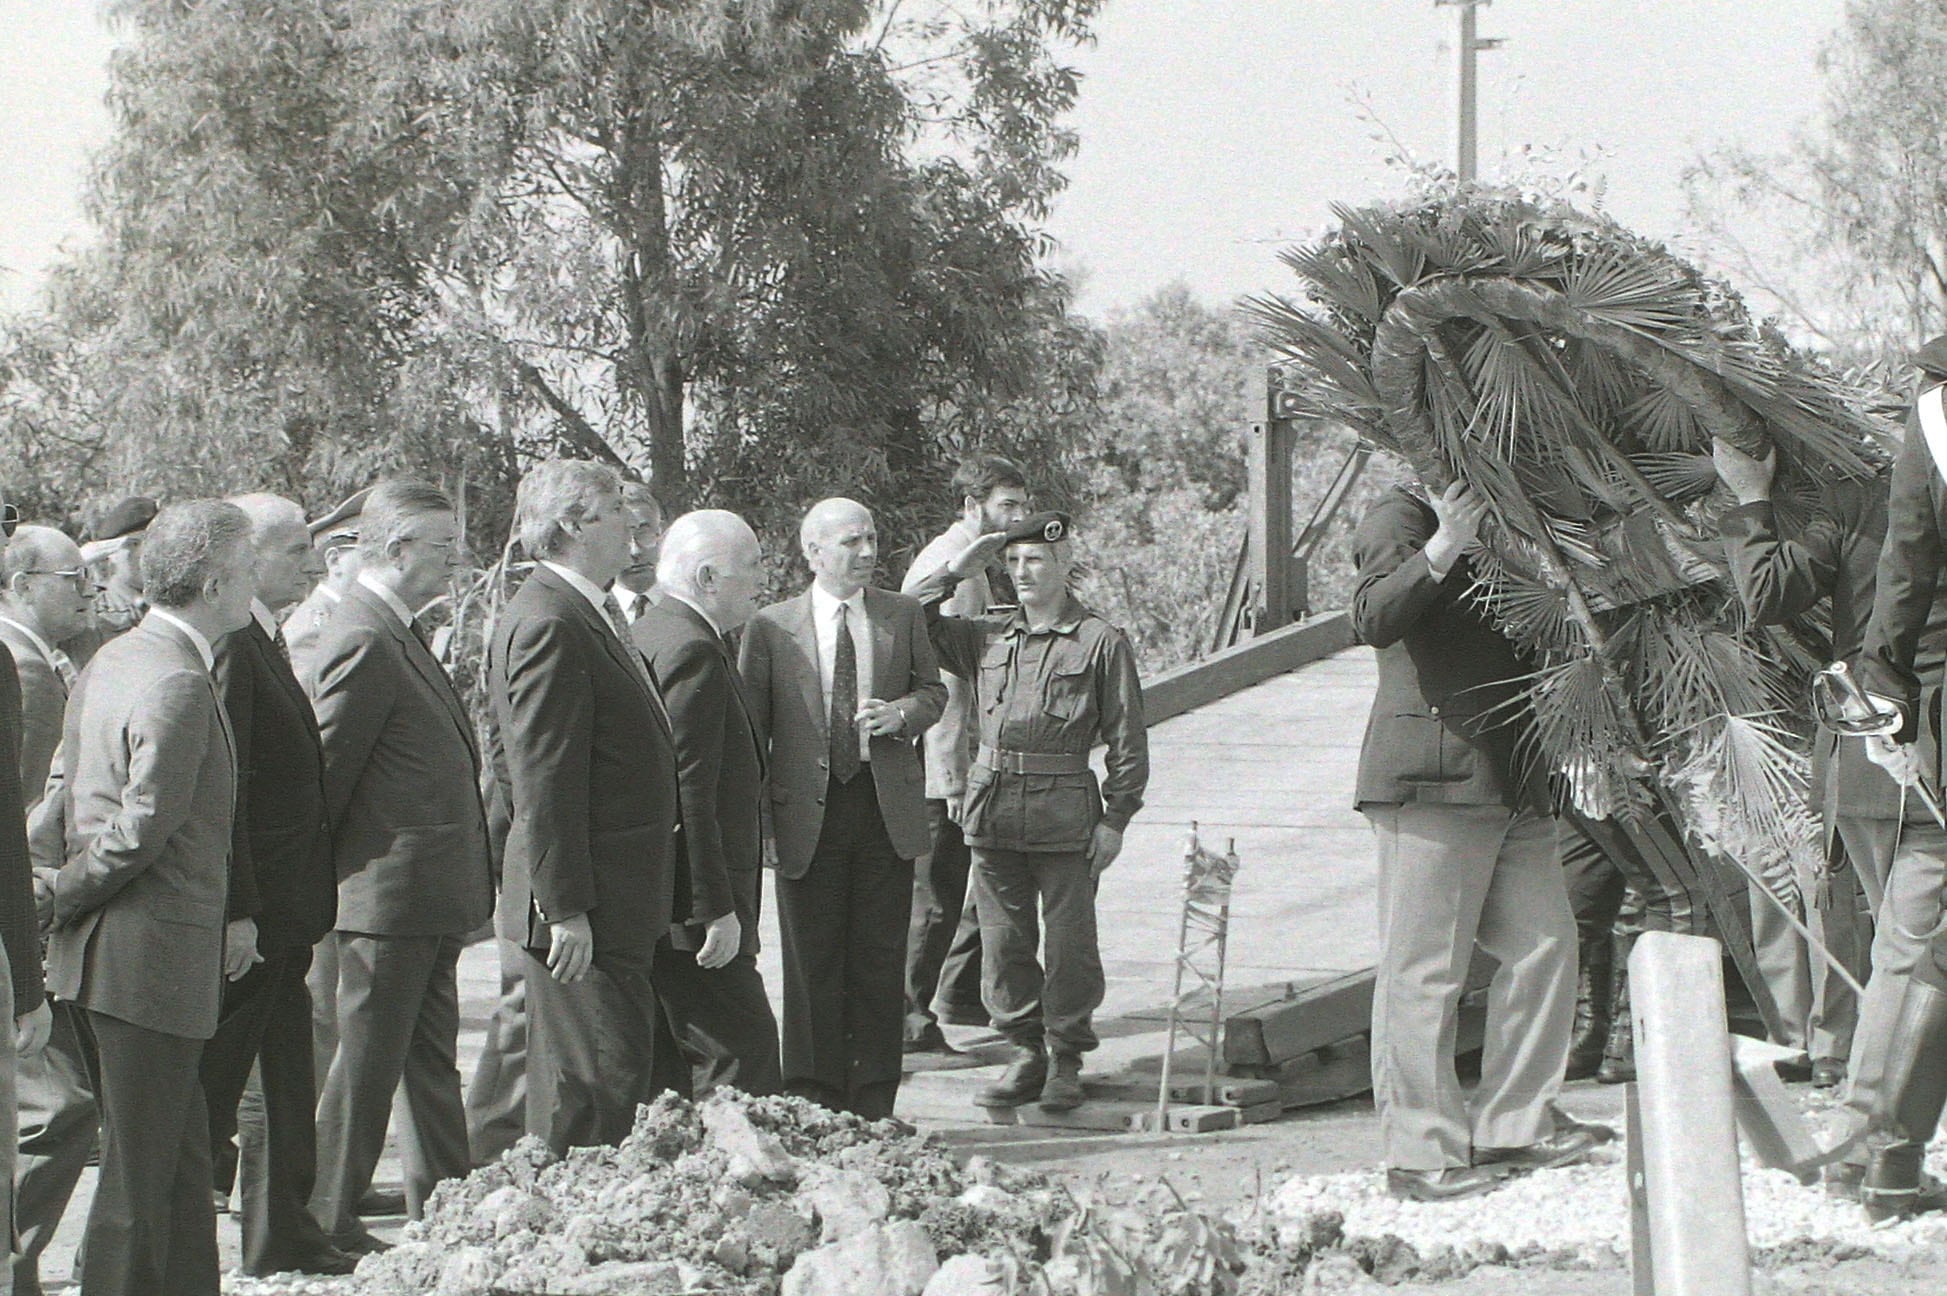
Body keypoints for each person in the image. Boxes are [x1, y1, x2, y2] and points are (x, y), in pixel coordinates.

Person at [1348, 481, 1593, 1202]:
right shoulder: (1399, 513)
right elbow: (1371, 616)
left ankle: (1514, 1123)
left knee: (1546, 945)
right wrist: (1443, 543)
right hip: (1432, 776)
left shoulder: (1512, 510)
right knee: (1423, 972)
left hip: (1513, 775)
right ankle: (1419, 1153)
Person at [44, 499, 254, 1295]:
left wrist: (48, 886)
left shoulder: (119, 657)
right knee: (141, 1177)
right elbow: (140, 830)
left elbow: (64, 794)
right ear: (209, 582)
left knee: (177, 1160)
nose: (254, 584)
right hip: (149, 963)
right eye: (243, 569)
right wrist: (59, 892)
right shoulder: (178, 678)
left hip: (115, 962)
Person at [304, 480, 492, 1250]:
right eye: (442, 548)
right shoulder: (363, 635)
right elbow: (325, 773)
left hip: (421, 901)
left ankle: (448, 1210)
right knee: (365, 1072)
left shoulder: (397, 628)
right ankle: (321, 1220)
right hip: (383, 902)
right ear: (395, 549)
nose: (455, 561)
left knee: (425, 1068)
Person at [911, 511, 1149, 1113]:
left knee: (1070, 944)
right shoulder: (985, 636)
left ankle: (1065, 1056)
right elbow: (910, 619)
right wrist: (959, 567)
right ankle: (1025, 1051)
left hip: (1065, 813)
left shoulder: (1100, 642)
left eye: (1035, 560)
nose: (1020, 572)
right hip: (992, 810)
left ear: (1065, 564)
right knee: (1003, 942)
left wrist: (1116, 819)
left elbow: (1128, 741)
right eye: (1011, 562)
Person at [486, 460, 681, 1153]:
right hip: (584, 916)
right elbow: (541, 778)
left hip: (611, 903)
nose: (630, 529)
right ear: (571, 525)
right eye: (612, 515)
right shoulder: (550, 620)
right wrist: (563, 908)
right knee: (594, 1097)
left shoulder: (578, 609)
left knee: (605, 1087)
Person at [739, 498, 944, 1118]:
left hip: (883, 809)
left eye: (873, 539)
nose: (867, 553)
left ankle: (876, 1100)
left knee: (881, 960)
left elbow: (933, 691)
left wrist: (901, 715)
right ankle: (812, 1095)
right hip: (807, 816)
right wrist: (764, 827)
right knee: (812, 963)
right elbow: (753, 732)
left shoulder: (901, 615)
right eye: (851, 542)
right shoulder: (771, 627)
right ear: (813, 552)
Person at [199, 494, 352, 1277]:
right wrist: (239, 910)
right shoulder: (232, 645)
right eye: (297, 551)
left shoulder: (263, 636)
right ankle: (143, 1240)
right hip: (257, 915)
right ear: (251, 557)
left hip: (288, 911)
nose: (315, 564)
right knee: (213, 1090)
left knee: (285, 1078)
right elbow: (227, 787)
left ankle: (280, 1233)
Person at [1846, 336, 1947, 1219]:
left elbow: (1903, 571)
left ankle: (1882, 1155)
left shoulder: (1933, 419)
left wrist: (1888, 700)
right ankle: (1882, 1156)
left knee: (1925, 946)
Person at [634, 509, 782, 1098]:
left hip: (668, 904)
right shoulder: (692, 650)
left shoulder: (655, 631)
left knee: (677, 1070)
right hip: (695, 915)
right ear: (706, 577)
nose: (762, 579)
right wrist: (712, 910)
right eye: (751, 566)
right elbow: (688, 789)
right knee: (741, 1065)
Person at [899, 455, 1031, 1052]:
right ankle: (907, 1020)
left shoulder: (973, 561)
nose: (1017, 518)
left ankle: (955, 998)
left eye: (1022, 506)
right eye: (1007, 506)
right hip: (941, 760)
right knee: (934, 895)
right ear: (973, 505)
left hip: (962, 757)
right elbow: (944, 682)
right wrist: (952, 778)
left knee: (970, 884)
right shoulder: (952, 564)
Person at [0, 525, 96, 1296]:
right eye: (72, 579)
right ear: (24, 581)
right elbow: (21, 819)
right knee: (60, 1107)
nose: (87, 595)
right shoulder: (21, 668)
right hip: (22, 923)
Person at [284, 488, 369, 678]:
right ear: (334, 561)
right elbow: (310, 705)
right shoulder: (313, 631)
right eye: (369, 555)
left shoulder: (355, 616)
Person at [68, 496, 158, 667]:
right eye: (133, 544)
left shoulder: (178, 605)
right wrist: (77, 561)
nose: (145, 554)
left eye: (153, 543)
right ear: (109, 554)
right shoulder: (90, 611)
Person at [612, 483, 665, 624]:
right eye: (621, 537)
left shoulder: (686, 607)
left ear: (660, 533)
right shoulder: (593, 614)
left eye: (644, 533)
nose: (635, 551)